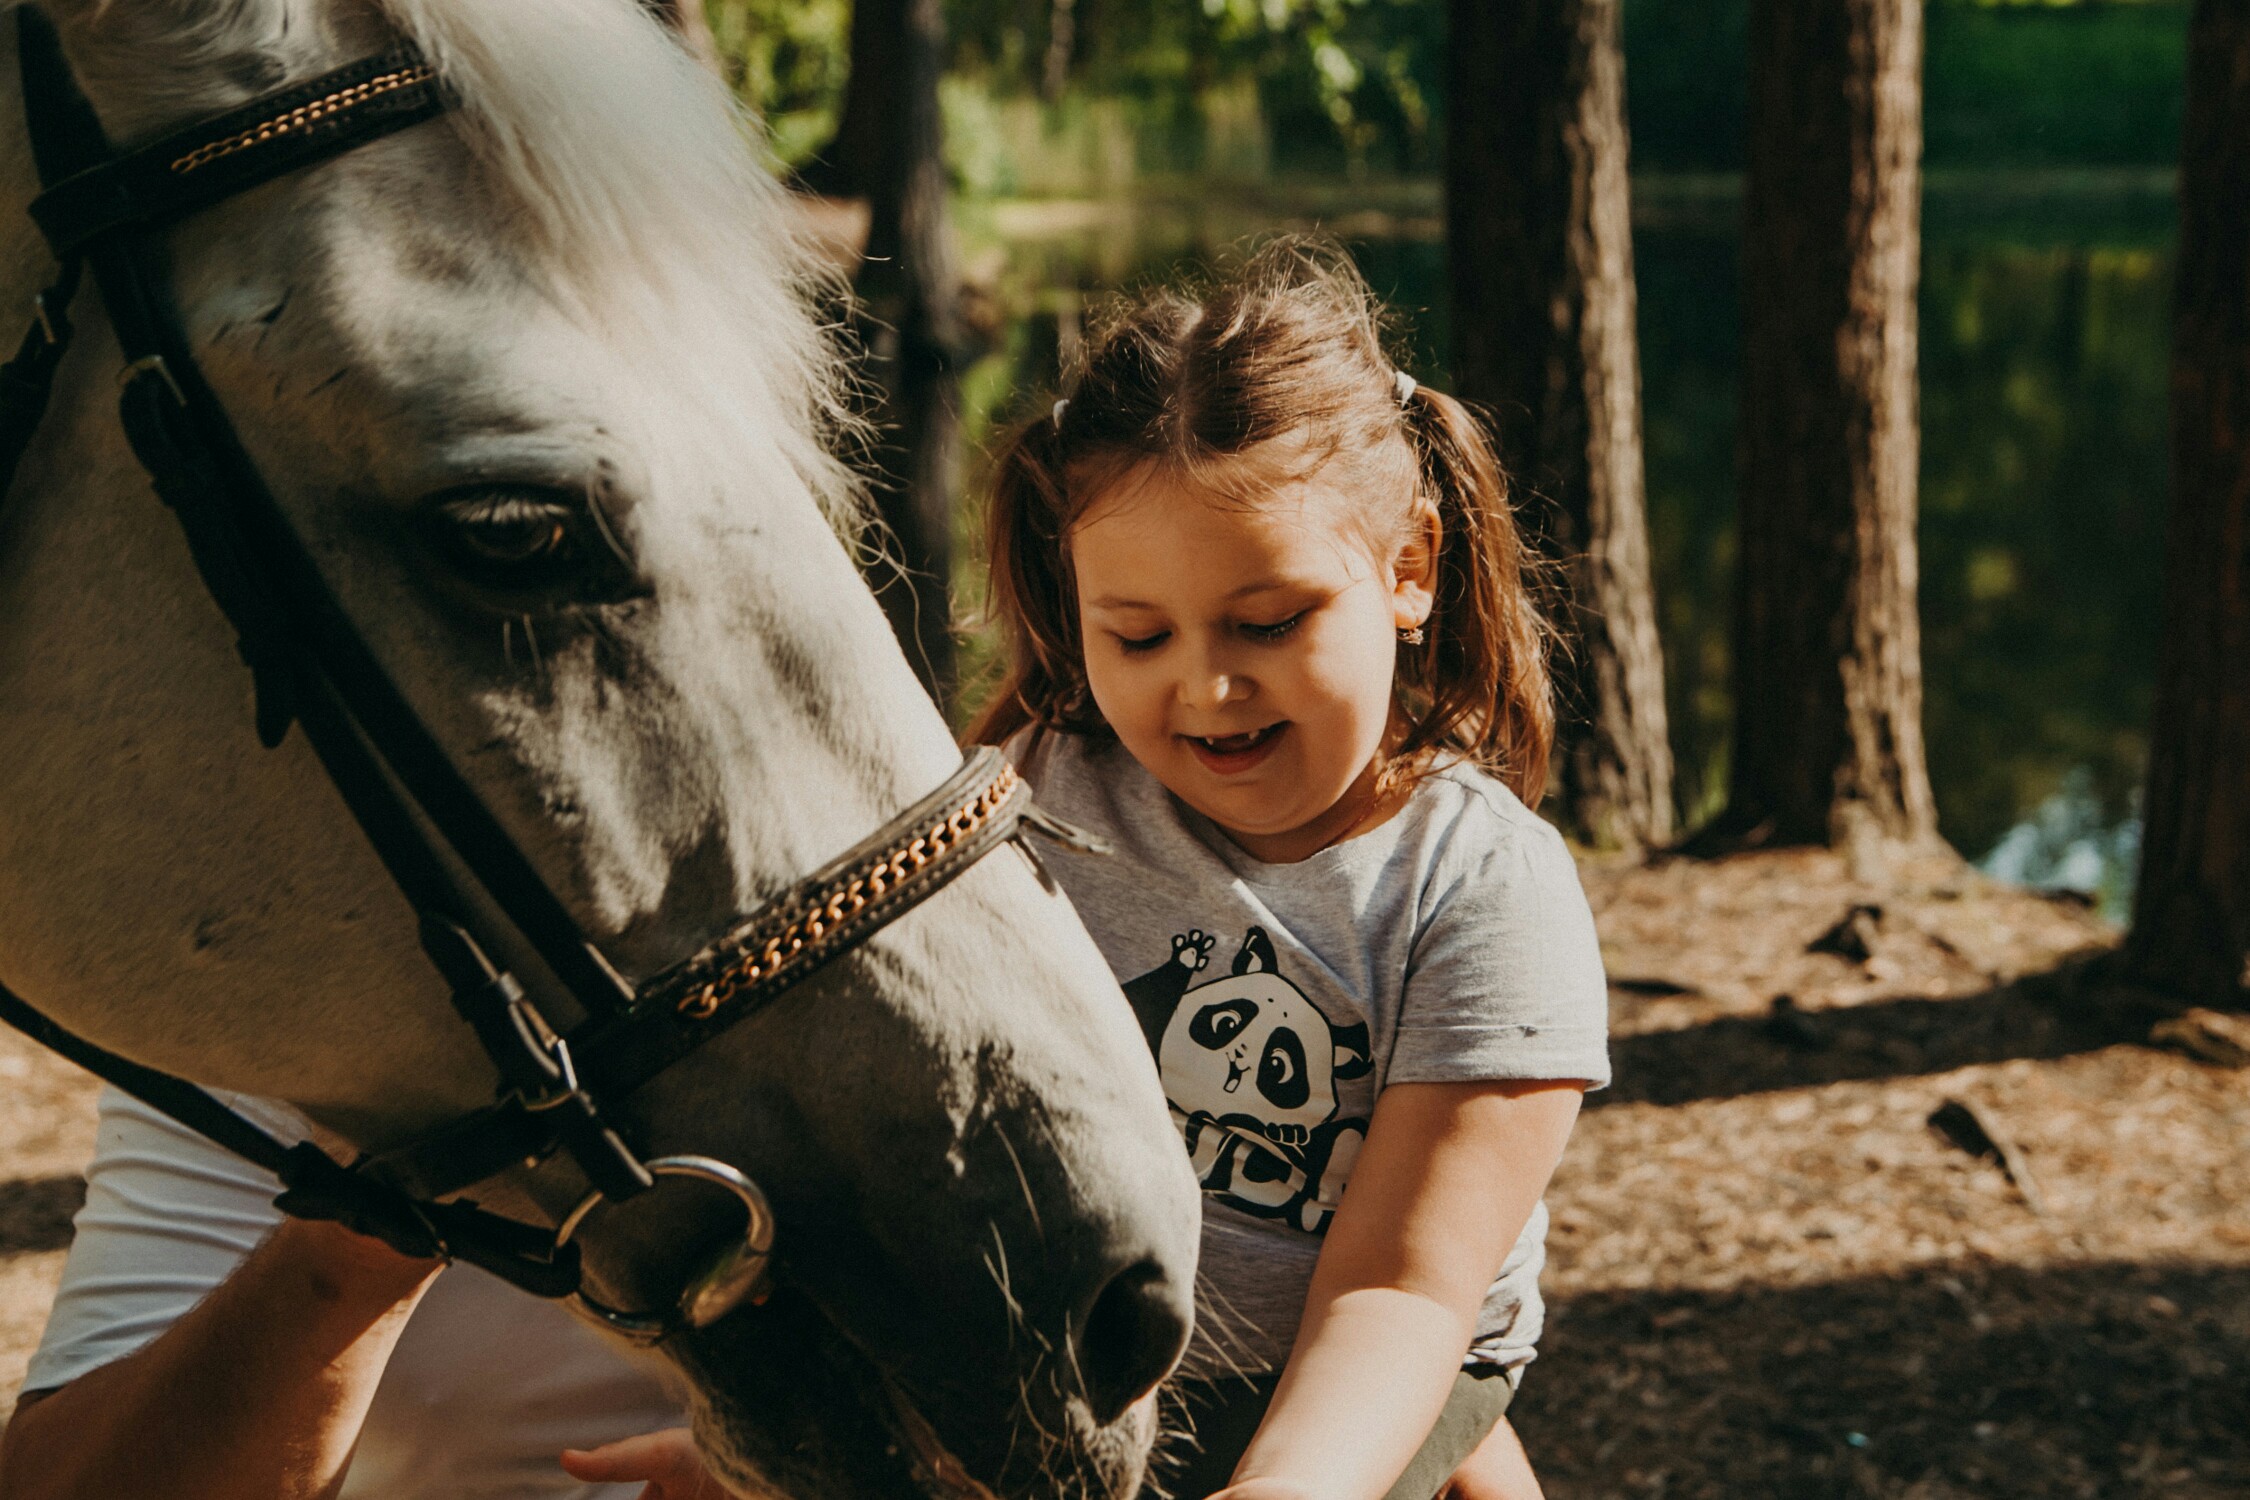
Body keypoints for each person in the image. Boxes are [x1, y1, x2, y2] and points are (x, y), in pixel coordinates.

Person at [962, 240, 1611, 1500]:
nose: (1206, 686)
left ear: (1409, 570)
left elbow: (1401, 1288)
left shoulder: (1479, 891)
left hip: (1361, 1372)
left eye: (1269, 623)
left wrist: (1287, 1487)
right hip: (1077, 1373)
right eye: (1136, 635)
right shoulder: (1035, 792)